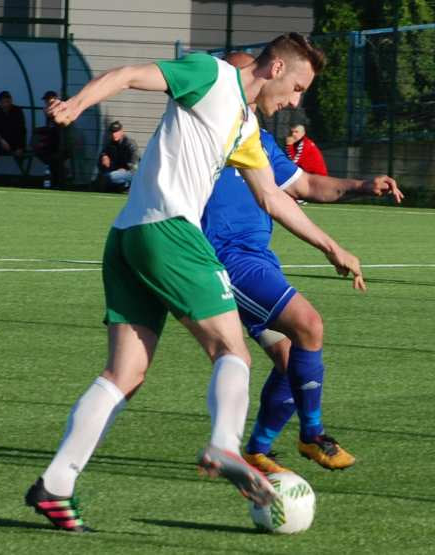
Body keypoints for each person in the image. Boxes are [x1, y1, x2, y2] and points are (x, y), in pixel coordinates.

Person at [25, 33, 365, 533]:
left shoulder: (246, 126)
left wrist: (332, 247)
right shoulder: (211, 75)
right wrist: (77, 104)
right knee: (233, 350)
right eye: (296, 88)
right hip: (170, 232)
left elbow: (273, 197)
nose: (295, 102)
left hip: (127, 238)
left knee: (126, 374)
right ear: (275, 70)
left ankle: (55, 484)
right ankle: (224, 444)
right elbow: (129, 75)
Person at [203, 125, 403, 475]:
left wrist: (362, 186)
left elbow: (305, 185)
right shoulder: (203, 128)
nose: (291, 102)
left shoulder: (258, 138)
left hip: (258, 257)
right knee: (308, 324)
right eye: (293, 88)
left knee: (289, 359)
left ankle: (257, 451)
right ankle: (312, 433)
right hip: (223, 258)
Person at [0, 90, 27, 179]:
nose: (6, 104)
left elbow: (22, 130)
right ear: (0, 102)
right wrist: (1, 140)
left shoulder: (17, 111)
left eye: (8, 101)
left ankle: (23, 177)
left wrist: (20, 147)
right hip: (1, 144)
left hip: (15, 144)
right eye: (3, 102)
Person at [31, 90, 65, 188]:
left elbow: (58, 129)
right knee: (46, 155)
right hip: (53, 142)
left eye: (48, 101)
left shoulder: (59, 110)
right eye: (46, 101)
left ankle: (58, 181)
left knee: (54, 158)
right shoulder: (49, 113)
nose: (46, 103)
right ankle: (55, 180)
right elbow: (50, 128)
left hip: (60, 143)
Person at [97, 120, 138, 192]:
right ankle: (124, 186)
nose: (114, 134)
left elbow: (135, 163)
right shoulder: (110, 143)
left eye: (116, 132)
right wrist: (104, 156)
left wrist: (125, 169)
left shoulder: (130, 143)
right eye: (113, 132)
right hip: (117, 171)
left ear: (122, 131)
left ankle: (128, 185)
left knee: (109, 177)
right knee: (103, 177)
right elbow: (103, 152)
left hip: (131, 172)